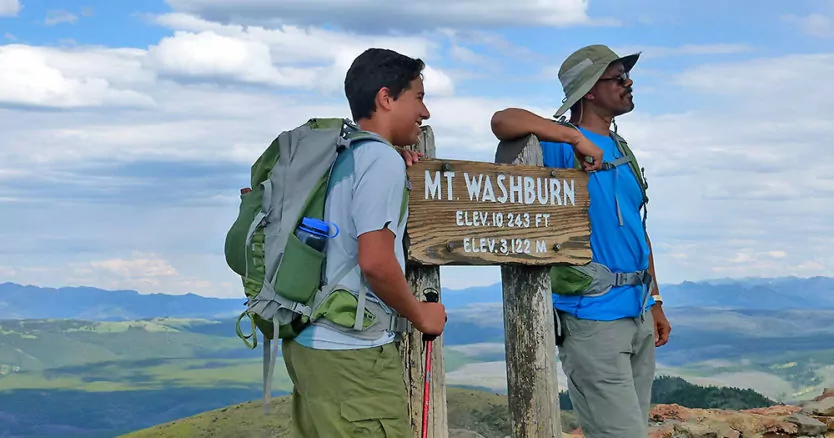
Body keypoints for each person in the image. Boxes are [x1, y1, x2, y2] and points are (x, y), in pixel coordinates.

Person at [490, 44, 671, 437]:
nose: (629, 83)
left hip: (636, 312)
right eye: (619, 77)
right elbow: (503, 121)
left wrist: (655, 301)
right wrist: (573, 139)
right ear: (590, 89)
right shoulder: (558, 143)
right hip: (592, 317)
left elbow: (638, 230)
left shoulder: (622, 149)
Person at [281, 48, 447, 438]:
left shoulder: (339, 155)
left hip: (309, 344)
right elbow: (374, 261)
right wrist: (421, 315)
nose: (425, 113)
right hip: (353, 357)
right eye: (418, 98)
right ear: (386, 98)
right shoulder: (379, 160)